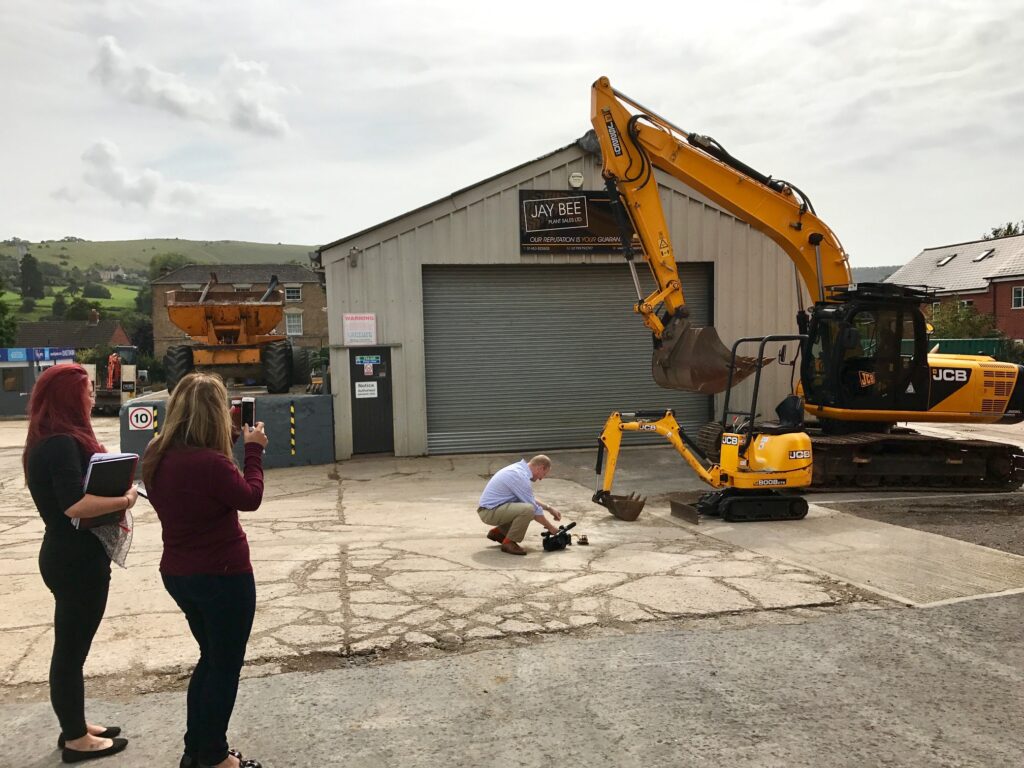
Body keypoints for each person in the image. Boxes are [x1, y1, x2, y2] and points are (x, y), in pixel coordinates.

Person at [142, 373, 267, 768]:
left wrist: (230, 441)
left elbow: (199, 478)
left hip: (179, 573)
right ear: (216, 413)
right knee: (224, 667)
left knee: (209, 659)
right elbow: (250, 497)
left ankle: (196, 750)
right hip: (223, 574)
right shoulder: (212, 464)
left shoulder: (157, 452)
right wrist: (253, 451)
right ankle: (213, 756)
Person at [24, 363, 133, 764]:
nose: (91, 398)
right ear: (71, 397)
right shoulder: (60, 444)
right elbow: (75, 504)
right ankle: (75, 739)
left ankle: (77, 725)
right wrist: (125, 500)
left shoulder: (50, 440)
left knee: (72, 651)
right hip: (74, 560)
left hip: (68, 555)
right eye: (86, 391)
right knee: (70, 653)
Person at [477, 454, 561, 555]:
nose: (541, 479)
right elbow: (533, 508)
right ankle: (509, 543)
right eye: (544, 474)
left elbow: (529, 498)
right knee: (528, 510)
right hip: (489, 512)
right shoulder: (519, 476)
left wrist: (549, 508)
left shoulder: (519, 470)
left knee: (526, 507)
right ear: (541, 468)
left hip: (491, 509)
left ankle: (499, 533)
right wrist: (551, 528)